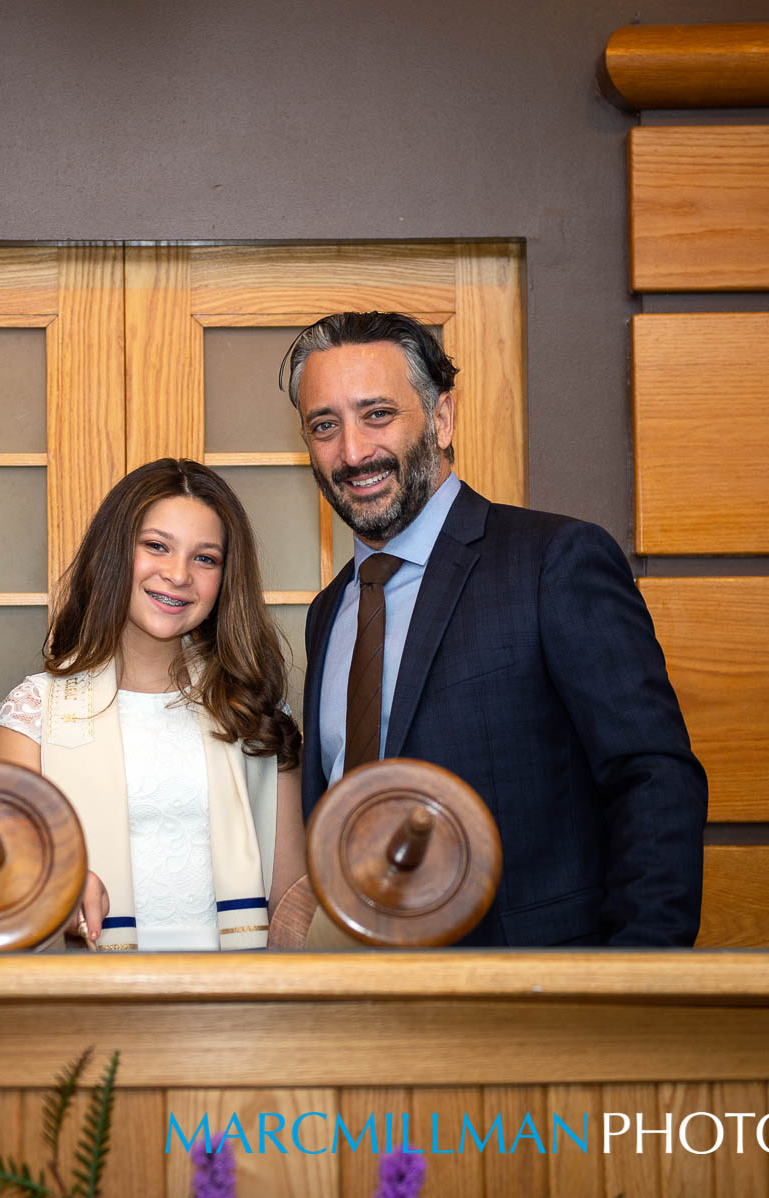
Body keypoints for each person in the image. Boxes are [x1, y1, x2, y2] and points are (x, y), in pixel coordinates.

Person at [282, 311, 706, 947]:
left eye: (378, 414)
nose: (353, 452)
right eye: (324, 425)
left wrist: (636, 978)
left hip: (531, 984)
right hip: (356, 982)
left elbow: (652, 777)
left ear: (442, 418)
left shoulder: (553, 561)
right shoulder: (329, 611)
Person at [0, 459, 305, 951]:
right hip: (91, 991)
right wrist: (53, 893)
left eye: (206, 559)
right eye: (157, 546)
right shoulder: (34, 713)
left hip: (235, 988)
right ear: (115, 552)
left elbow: (289, 905)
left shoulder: (252, 711)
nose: (178, 575)